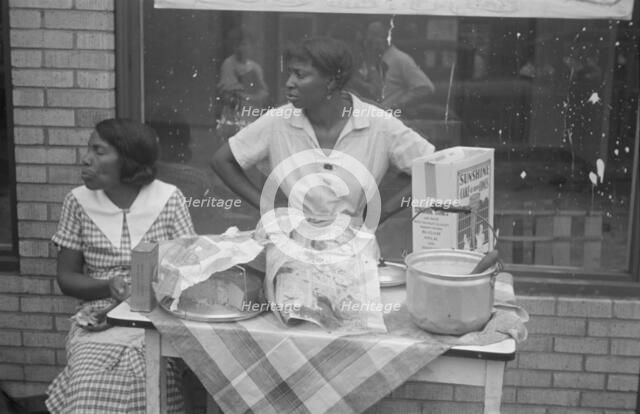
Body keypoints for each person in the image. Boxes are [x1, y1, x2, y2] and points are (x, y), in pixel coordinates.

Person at [211, 37, 435, 235]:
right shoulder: (277, 121)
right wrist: (269, 208)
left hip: (354, 244)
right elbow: (222, 161)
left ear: (331, 82)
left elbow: (434, 168)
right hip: (292, 240)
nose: (289, 83)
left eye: (300, 75)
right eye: (290, 73)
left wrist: (380, 213)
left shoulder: (378, 124)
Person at [46, 119, 195, 414]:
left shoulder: (169, 199)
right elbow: (67, 278)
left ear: (127, 161)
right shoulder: (77, 202)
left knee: (146, 375)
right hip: (98, 318)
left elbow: (189, 269)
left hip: (156, 316)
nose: (86, 158)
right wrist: (108, 286)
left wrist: (154, 290)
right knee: (88, 382)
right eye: (89, 149)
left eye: (99, 151)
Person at [364, 20, 435, 114]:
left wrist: (397, 105)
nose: (371, 40)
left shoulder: (400, 59)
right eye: (370, 36)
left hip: (391, 119)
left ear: (387, 38)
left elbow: (425, 88)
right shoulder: (373, 60)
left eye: (376, 35)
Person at [216, 29, 269, 140]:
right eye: (237, 45)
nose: (241, 48)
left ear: (251, 47)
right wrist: (243, 95)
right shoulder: (228, 64)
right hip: (234, 112)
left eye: (245, 44)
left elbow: (263, 92)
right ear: (233, 47)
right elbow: (228, 90)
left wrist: (255, 97)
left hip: (251, 112)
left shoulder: (255, 67)